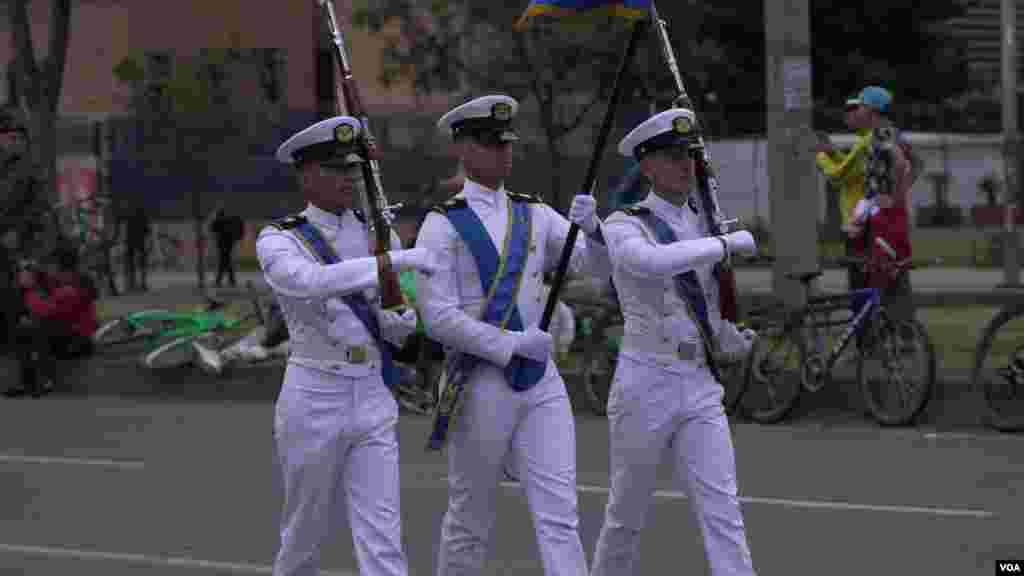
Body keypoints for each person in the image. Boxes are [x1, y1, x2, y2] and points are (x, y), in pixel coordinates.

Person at [415, 94, 612, 576]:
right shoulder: (441, 226)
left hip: (540, 383)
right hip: (478, 383)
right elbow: (436, 316)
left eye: (506, 143)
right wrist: (509, 345)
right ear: (462, 149)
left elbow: (597, 272)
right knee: (470, 517)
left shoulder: (536, 215)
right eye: (489, 144)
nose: (503, 153)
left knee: (560, 514)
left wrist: (598, 231)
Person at [258, 115, 438, 576]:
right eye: (334, 170)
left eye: (352, 171)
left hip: (372, 391)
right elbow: (310, 282)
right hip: (315, 393)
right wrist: (389, 262)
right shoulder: (280, 239)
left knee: (383, 535)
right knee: (304, 532)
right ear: (306, 175)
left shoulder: (375, 231)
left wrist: (399, 319)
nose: (347, 180)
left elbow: (391, 322)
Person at [590, 108, 759, 576]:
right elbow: (652, 263)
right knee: (626, 515)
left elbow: (703, 303)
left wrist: (728, 336)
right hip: (646, 382)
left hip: (699, 383)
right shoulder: (625, 223)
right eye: (670, 157)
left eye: (688, 156)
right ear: (646, 166)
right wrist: (724, 245)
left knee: (723, 511)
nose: (684, 166)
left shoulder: (706, 219)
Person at [842, 86, 917, 325]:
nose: (858, 110)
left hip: (885, 217)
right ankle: (898, 334)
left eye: (861, 106)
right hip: (884, 214)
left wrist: (892, 197)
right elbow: (914, 165)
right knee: (892, 274)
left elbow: (901, 163)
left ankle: (897, 335)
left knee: (885, 275)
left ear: (872, 110)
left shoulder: (880, 134)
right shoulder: (890, 132)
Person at [3, 246, 98, 398]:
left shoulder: (71, 285)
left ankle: (43, 381)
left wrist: (30, 291)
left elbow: (51, 311)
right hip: (71, 334)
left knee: (37, 328)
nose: (48, 268)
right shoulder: (64, 281)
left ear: (58, 265)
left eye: (50, 264)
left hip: (77, 340)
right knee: (27, 329)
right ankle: (29, 382)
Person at [815, 95, 872, 290]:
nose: (846, 119)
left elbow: (838, 176)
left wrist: (821, 156)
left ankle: (862, 319)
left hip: (858, 220)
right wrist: (832, 153)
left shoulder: (864, 144)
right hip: (863, 218)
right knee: (863, 276)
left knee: (858, 279)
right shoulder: (867, 141)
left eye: (851, 114)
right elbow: (853, 173)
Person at [210, 202, 244, 288]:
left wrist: (213, 217)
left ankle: (221, 280)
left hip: (223, 243)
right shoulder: (229, 220)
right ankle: (230, 280)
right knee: (226, 261)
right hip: (229, 243)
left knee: (224, 261)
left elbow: (213, 228)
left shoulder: (221, 221)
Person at [124, 203, 151, 291]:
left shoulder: (130, 218)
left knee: (132, 264)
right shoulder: (143, 218)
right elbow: (147, 231)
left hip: (131, 242)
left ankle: (132, 283)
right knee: (141, 263)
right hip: (139, 242)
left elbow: (127, 231)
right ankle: (142, 283)